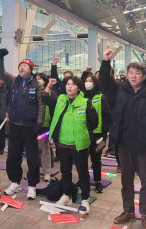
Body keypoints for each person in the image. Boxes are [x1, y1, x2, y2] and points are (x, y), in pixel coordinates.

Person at [102, 50, 146, 229]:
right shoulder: (121, 91)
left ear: (143, 76)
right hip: (124, 145)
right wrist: (106, 61)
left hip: (145, 147)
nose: (133, 76)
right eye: (130, 73)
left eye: (137, 73)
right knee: (126, 182)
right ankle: (128, 211)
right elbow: (105, 83)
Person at [42, 76, 98, 214]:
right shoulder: (61, 99)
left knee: (82, 172)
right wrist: (48, 87)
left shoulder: (85, 102)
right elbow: (45, 99)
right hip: (62, 143)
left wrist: (84, 133)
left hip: (79, 145)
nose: (69, 87)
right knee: (65, 171)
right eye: (68, 84)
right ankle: (66, 195)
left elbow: (94, 123)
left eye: (73, 85)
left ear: (79, 88)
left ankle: (85, 198)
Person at [0, 48, 45, 200]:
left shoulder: (37, 85)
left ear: (30, 70)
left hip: (30, 127)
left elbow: (41, 106)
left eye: (25, 66)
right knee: (12, 157)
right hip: (15, 125)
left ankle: (32, 185)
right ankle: (15, 182)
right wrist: (0, 58)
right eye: (20, 66)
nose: (21, 67)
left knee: (32, 158)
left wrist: (39, 123)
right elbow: (1, 73)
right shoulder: (13, 81)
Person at [83, 73, 111, 193]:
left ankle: (98, 181)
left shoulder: (101, 97)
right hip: (83, 133)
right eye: (86, 81)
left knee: (96, 159)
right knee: (82, 159)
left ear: (95, 83)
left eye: (90, 81)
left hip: (97, 134)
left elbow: (107, 115)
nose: (87, 83)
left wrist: (105, 133)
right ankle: (83, 179)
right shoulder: (81, 97)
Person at [36, 73, 57, 182]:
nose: (37, 80)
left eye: (39, 79)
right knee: (33, 150)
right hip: (33, 125)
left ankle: (47, 172)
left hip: (45, 126)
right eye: (36, 79)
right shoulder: (33, 92)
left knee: (45, 150)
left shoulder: (51, 94)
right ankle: (33, 171)